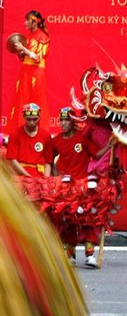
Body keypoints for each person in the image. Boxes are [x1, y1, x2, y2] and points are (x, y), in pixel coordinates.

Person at [52, 107, 103, 268]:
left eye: (66, 120)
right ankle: (70, 254)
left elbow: (98, 154)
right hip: (65, 188)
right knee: (67, 221)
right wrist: (55, 178)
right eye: (61, 120)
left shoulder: (83, 138)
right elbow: (49, 160)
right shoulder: (56, 141)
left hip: (84, 186)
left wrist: (110, 145)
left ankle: (90, 255)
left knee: (89, 219)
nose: (63, 123)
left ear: (73, 123)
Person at [7, 11, 49, 133]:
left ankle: (39, 131)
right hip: (25, 72)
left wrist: (24, 49)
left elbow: (38, 58)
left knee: (36, 101)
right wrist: (20, 53)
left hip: (36, 74)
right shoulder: (28, 37)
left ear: (34, 22)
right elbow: (24, 58)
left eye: (27, 20)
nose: (25, 23)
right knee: (22, 100)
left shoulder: (43, 37)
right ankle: (20, 130)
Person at [6, 103, 53, 177]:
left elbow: (48, 162)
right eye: (29, 119)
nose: (32, 122)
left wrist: (46, 179)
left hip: (40, 175)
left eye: (35, 119)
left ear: (39, 117)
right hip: (20, 174)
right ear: (24, 117)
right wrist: (27, 176)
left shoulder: (46, 135)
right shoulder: (15, 134)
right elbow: (12, 160)